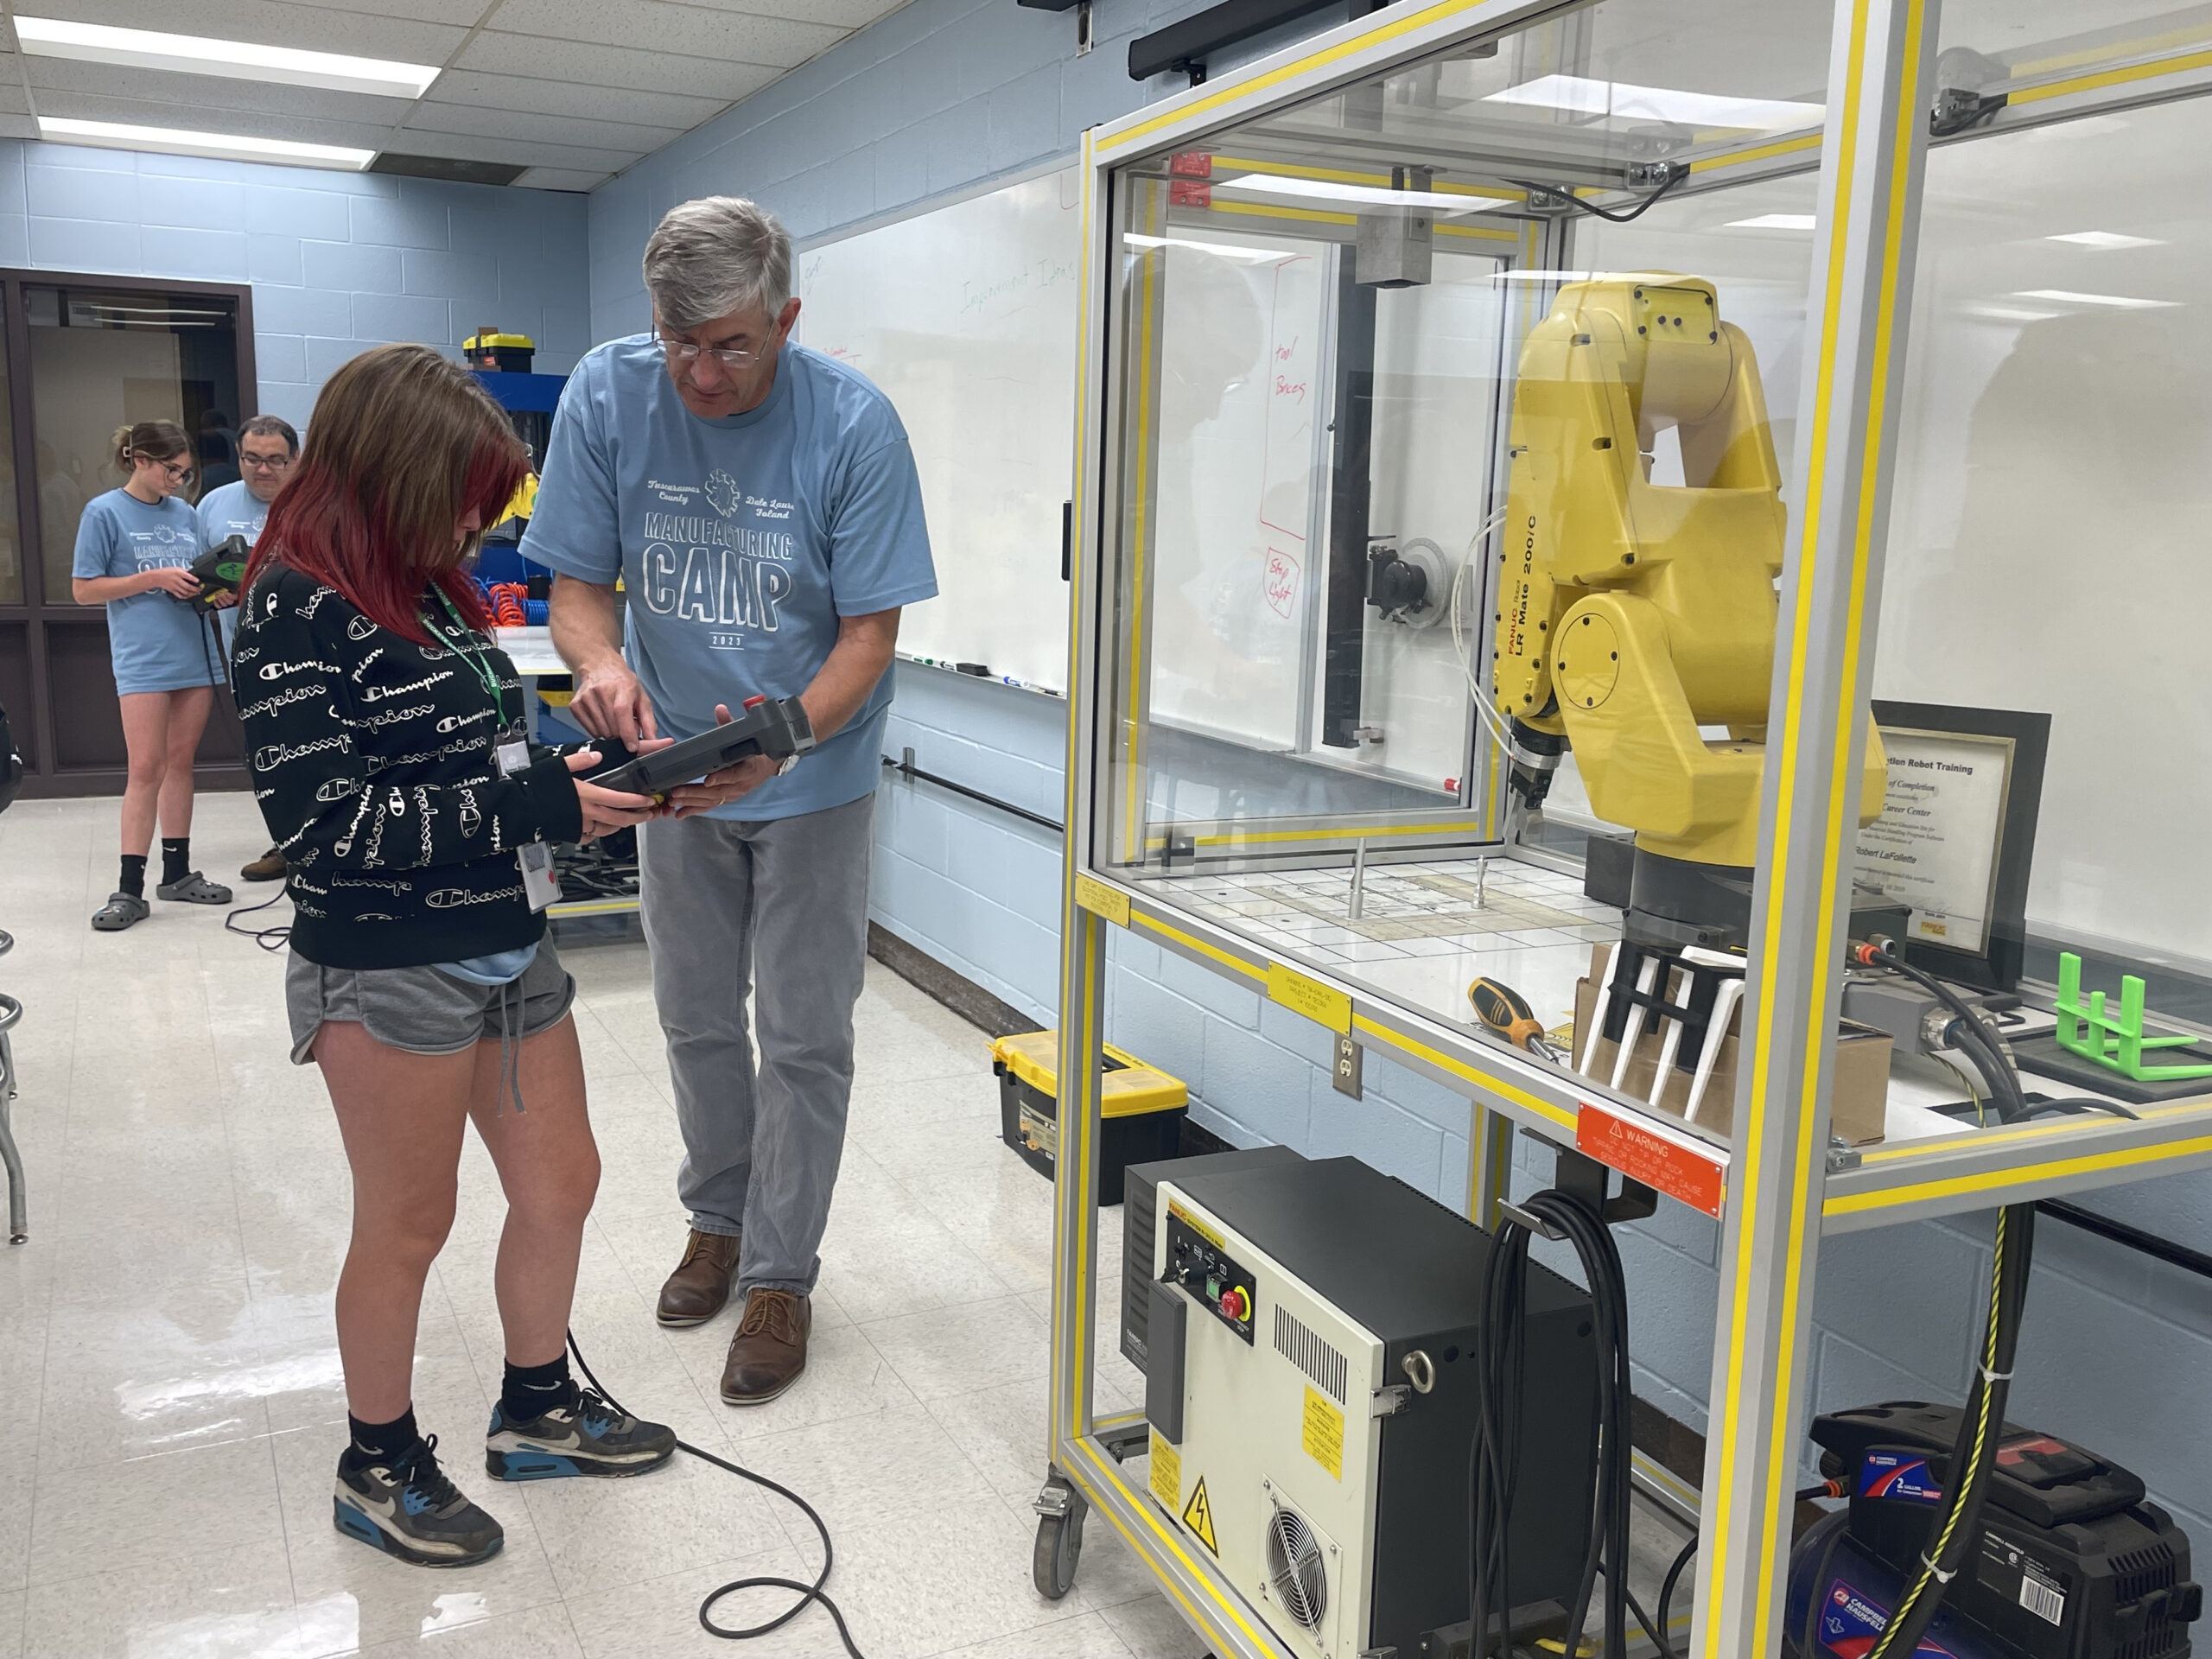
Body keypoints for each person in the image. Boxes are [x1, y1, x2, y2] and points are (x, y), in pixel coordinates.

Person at [234, 343, 677, 1568]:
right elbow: (325, 828)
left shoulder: (426, 587)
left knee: (562, 1182)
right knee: (407, 1224)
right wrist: (534, 808)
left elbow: (470, 760)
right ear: (392, 476)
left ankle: (537, 1408)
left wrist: (574, 782)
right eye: (465, 498)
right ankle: (377, 1464)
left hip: (504, 937)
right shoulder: (293, 606)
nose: (479, 525)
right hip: (388, 963)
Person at [524, 196, 936, 1406]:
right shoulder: (607, 393)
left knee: (804, 1034)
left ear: (786, 320)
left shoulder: (853, 425)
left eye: (731, 346)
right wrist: (602, 666)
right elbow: (577, 588)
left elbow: (867, 638)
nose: (701, 374)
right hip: (669, 777)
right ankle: (717, 1220)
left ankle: (780, 1274)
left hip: (813, 777)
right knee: (695, 1016)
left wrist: (787, 741)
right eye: (679, 343)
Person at [71, 420, 233, 931]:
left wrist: (215, 592)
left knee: (181, 763)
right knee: (145, 768)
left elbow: (195, 577)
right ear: (139, 459)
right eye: (171, 470)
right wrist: (153, 578)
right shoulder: (103, 512)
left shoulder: (185, 513)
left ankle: (177, 874)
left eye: (185, 473)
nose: (178, 481)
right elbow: (84, 589)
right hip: (143, 658)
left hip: (193, 651)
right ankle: (129, 889)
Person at [198, 413, 300, 883]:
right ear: (238, 457)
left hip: (312, 652)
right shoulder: (212, 505)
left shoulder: (316, 506)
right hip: (247, 655)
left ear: (295, 459)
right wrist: (210, 593)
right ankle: (285, 843)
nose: (263, 469)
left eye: (276, 460)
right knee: (268, 752)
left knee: (317, 747)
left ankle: (321, 842)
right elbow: (195, 575)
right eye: (252, 459)